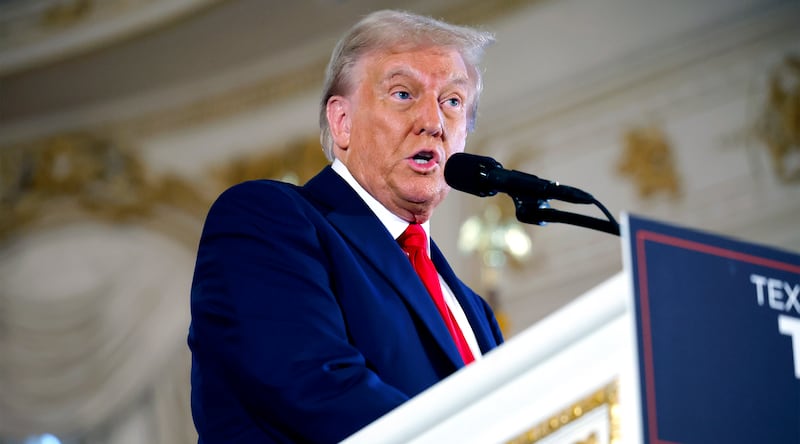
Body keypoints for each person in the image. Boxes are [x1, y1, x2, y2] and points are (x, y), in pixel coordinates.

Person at [188, 9, 503, 443]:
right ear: (342, 122)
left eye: (452, 101)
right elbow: (315, 387)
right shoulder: (266, 221)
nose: (433, 122)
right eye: (403, 94)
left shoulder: (473, 311)